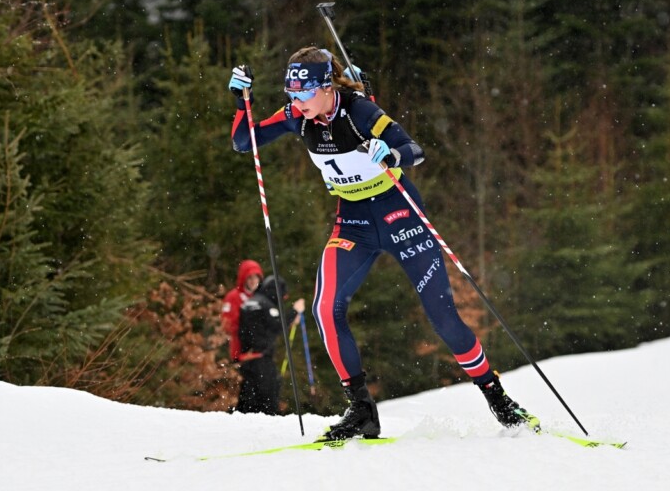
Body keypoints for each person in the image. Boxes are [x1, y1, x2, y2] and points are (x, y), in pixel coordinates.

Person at [228, 47, 538, 439]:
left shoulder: (359, 111)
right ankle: (361, 410)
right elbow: (245, 142)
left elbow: (414, 151)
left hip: (400, 217)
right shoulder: (296, 116)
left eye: (304, 93)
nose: (297, 101)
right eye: (291, 93)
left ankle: (499, 399)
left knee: (444, 318)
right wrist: (241, 101)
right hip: (354, 223)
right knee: (325, 309)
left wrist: (390, 154)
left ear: (327, 87)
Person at [236, 276, 304, 415]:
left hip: (247, 358)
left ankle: (243, 419)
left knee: (248, 398)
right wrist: (294, 311)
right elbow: (277, 325)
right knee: (268, 397)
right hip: (261, 359)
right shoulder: (266, 305)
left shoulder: (250, 302)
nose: (284, 298)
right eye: (283, 295)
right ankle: (269, 419)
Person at [221, 260, 264, 364]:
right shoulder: (233, 297)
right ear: (244, 278)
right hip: (240, 353)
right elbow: (227, 324)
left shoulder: (262, 297)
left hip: (260, 352)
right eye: (250, 277)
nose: (253, 281)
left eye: (256, 277)